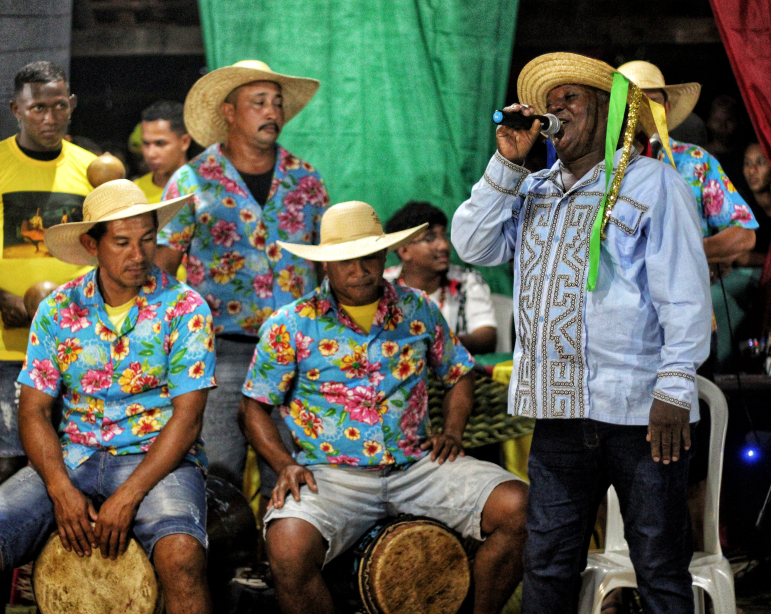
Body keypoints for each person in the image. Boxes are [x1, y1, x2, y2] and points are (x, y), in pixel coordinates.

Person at [452, 53, 712, 614]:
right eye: (551, 102)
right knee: (547, 565)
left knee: (660, 567)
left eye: (571, 99)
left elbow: (685, 295)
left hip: (641, 413)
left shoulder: (652, 184)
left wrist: (673, 389)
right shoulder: (533, 189)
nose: (555, 110)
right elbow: (472, 246)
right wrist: (506, 165)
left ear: (610, 113)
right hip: (561, 415)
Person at [239, 201, 528, 614]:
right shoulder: (291, 323)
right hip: (330, 474)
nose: (360, 270)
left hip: (417, 467)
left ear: (386, 255)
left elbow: (460, 372)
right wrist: (284, 463)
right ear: (326, 265)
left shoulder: (417, 308)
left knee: (518, 507)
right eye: (347, 261)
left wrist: (452, 433)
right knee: (286, 545)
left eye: (370, 257)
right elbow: (253, 407)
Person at [0, 180, 215, 614]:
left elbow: (187, 418)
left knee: (182, 556)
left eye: (148, 239)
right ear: (92, 244)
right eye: (123, 242)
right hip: (74, 457)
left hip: (155, 456)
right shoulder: (58, 308)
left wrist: (129, 495)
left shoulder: (184, 308)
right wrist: (58, 487)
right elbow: (33, 409)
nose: (139, 254)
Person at [156, 60, 328, 491]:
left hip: (295, 354)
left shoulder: (305, 180)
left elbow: (329, 263)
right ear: (229, 113)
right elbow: (162, 267)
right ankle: (229, 559)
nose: (272, 112)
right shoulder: (192, 180)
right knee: (218, 477)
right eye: (259, 103)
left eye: (277, 103)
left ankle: (279, 558)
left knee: (293, 476)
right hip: (220, 353)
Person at [0, 61, 98, 493]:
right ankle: (5, 560)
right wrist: (2, 301)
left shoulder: (91, 171)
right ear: (16, 108)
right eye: (37, 109)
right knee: (7, 464)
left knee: (79, 461)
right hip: (10, 345)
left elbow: (108, 250)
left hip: (79, 343)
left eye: (58, 106)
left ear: (72, 106)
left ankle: (64, 561)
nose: (49, 118)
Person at [617, 61, 758, 281]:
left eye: (653, 102)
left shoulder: (695, 161)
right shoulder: (598, 165)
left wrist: (698, 253)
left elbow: (744, 234)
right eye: (634, 101)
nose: (645, 110)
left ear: (667, 108)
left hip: (686, 300)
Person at [384, 200, 498, 354]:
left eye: (444, 235)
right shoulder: (384, 285)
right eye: (430, 238)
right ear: (404, 251)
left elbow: (487, 338)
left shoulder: (467, 281)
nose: (444, 245)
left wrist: (440, 342)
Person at [133, 100, 192, 203]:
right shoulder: (134, 194)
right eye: (146, 144)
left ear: (184, 142)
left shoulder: (205, 190)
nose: (150, 154)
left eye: (160, 144)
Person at [740, 141, 771, 266]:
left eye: (761, 162)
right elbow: (742, 258)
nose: (752, 170)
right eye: (747, 163)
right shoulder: (740, 201)